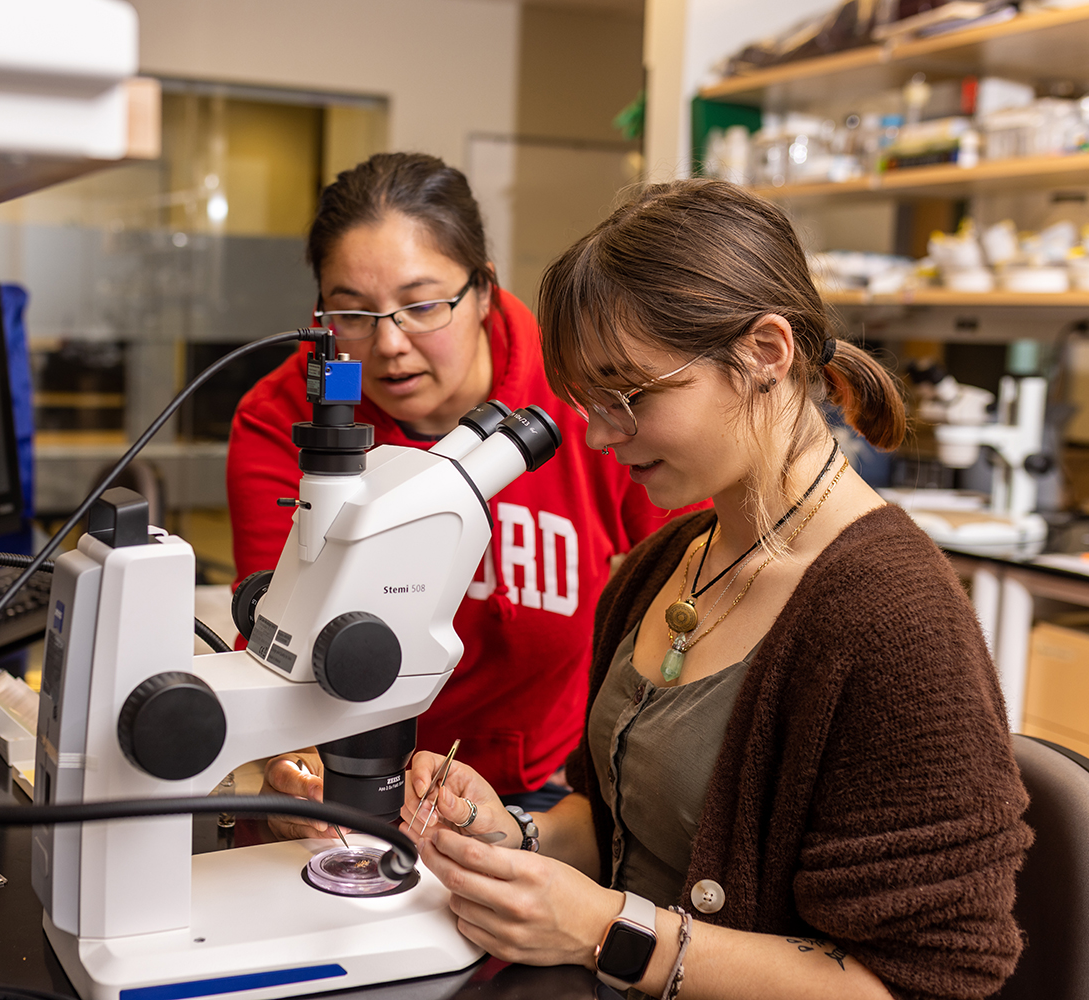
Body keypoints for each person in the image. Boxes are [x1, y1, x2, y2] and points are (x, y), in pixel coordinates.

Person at [400, 180, 1031, 1000]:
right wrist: (513, 834)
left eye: (628, 396)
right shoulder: (672, 559)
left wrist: (606, 932)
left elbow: (923, 984)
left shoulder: (893, 617)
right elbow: (627, 831)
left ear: (767, 352)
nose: (600, 435)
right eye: (589, 402)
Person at [227, 153, 703, 829]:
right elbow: (280, 643)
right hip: (340, 783)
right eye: (352, 314)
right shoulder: (280, 419)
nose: (389, 345)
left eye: (422, 305)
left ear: (483, 291)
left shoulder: (579, 395)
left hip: (540, 791)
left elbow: (698, 578)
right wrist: (294, 769)